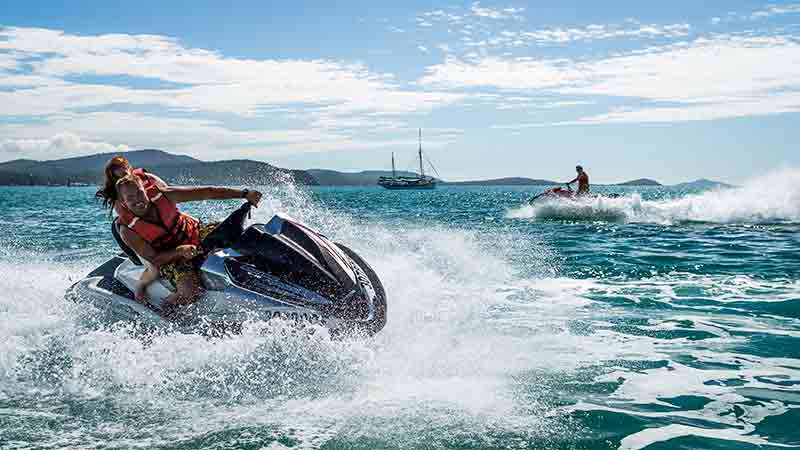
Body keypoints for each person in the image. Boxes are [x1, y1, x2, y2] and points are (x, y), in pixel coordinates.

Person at [114, 173, 262, 316]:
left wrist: (244, 194)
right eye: (130, 198)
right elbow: (155, 259)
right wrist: (180, 251)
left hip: (195, 234)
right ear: (123, 202)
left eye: (140, 193)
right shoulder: (127, 230)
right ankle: (167, 309)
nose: (138, 200)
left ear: (145, 190)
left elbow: (207, 192)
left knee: (240, 237)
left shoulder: (164, 195)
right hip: (171, 256)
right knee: (190, 292)